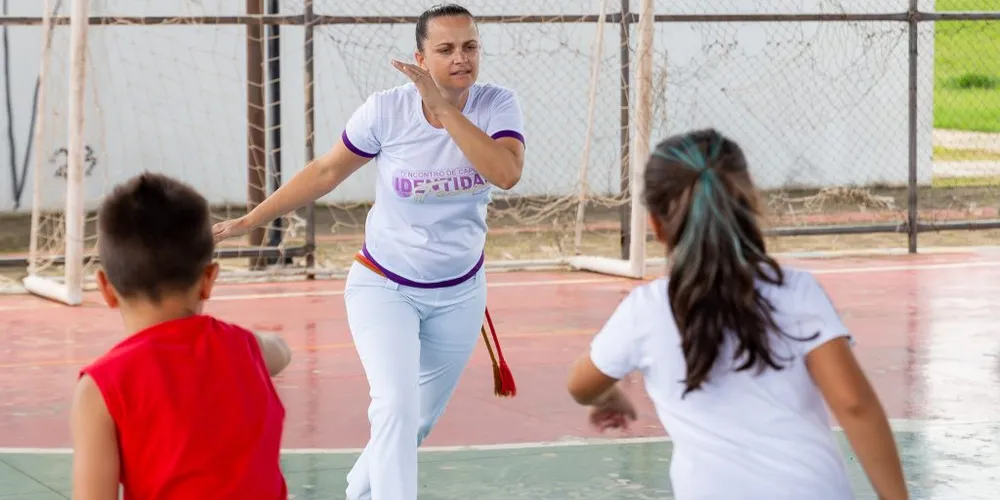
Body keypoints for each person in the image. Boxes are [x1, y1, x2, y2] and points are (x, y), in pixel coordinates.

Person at [212, 4, 525, 499]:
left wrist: (445, 111)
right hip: (385, 287)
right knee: (395, 407)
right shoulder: (387, 110)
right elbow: (325, 172)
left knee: (414, 422)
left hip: (461, 294)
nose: (460, 58)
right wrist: (249, 221)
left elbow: (505, 173)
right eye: (446, 49)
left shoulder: (496, 104)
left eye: (469, 47)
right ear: (420, 58)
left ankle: (357, 493)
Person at [565, 129, 908, 500]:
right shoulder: (796, 292)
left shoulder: (645, 310)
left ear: (656, 225)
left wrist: (608, 398)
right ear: (749, 205)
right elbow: (854, 403)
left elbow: (581, 384)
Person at [70, 172, 293, 500]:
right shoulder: (249, 349)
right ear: (209, 279)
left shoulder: (100, 389)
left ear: (106, 288)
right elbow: (281, 351)